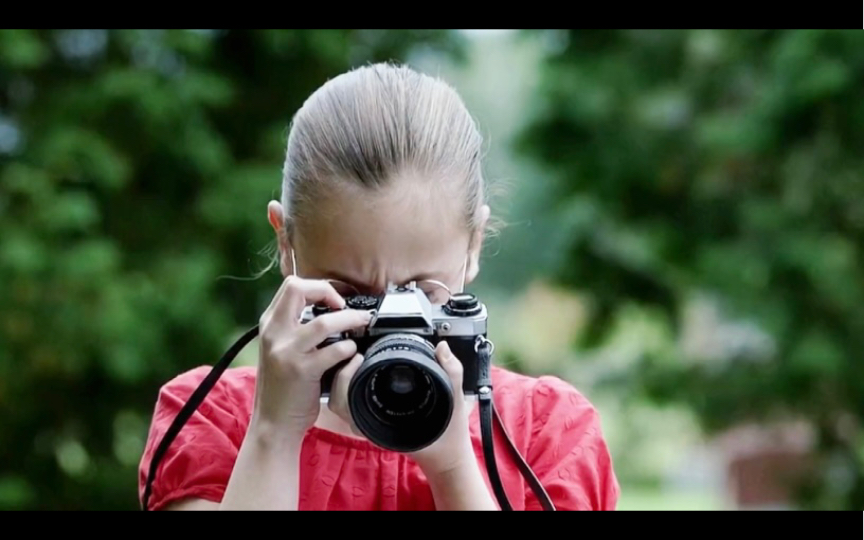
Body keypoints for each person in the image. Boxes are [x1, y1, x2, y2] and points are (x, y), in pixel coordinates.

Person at [137, 62, 620, 511]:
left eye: (420, 292)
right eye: (349, 295)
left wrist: (453, 467)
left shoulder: (548, 432)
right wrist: (273, 434)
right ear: (287, 243)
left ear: (472, 245)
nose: (387, 322)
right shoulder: (209, 419)